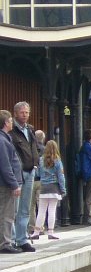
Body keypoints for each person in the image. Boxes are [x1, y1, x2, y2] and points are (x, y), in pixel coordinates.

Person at [9, 101, 39, 249]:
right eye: (22, 112)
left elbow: (34, 147)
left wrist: (35, 163)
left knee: (25, 207)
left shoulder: (30, 129)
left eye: (27, 112)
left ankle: (22, 239)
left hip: (30, 171)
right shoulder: (11, 131)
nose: (25, 115)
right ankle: (12, 239)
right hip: (18, 173)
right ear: (15, 113)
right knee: (14, 208)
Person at [31, 140, 66, 241]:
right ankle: (50, 232)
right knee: (52, 210)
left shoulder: (41, 160)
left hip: (44, 187)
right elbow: (61, 177)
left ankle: (36, 232)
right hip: (54, 187)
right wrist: (63, 189)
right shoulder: (57, 161)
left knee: (41, 211)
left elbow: (38, 174)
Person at [0, 110, 24, 253]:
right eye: (10, 121)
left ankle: (6, 241)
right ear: (5, 123)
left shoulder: (5, 139)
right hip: (5, 185)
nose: (12, 123)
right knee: (6, 214)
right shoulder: (2, 141)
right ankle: (5, 243)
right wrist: (14, 184)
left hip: (5, 183)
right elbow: (5, 165)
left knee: (6, 213)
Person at [29, 129, 46, 235]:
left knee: (31, 206)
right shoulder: (45, 150)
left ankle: (32, 227)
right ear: (43, 138)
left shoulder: (31, 149)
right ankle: (40, 228)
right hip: (42, 180)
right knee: (41, 206)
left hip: (31, 179)